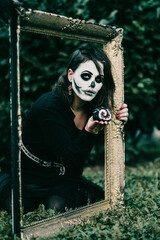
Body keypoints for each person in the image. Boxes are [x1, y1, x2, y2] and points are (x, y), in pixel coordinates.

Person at [0, 43, 128, 214]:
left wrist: (120, 117)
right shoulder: (49, 107)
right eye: (86, 76)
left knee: (58, 206)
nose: (92, 84)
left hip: (61, 178)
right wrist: (89, 132)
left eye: (98, 80)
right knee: (18, 208)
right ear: (70, 74)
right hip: (24, 175)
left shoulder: (95, 109)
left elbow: (75, 163)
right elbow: (69, 156)